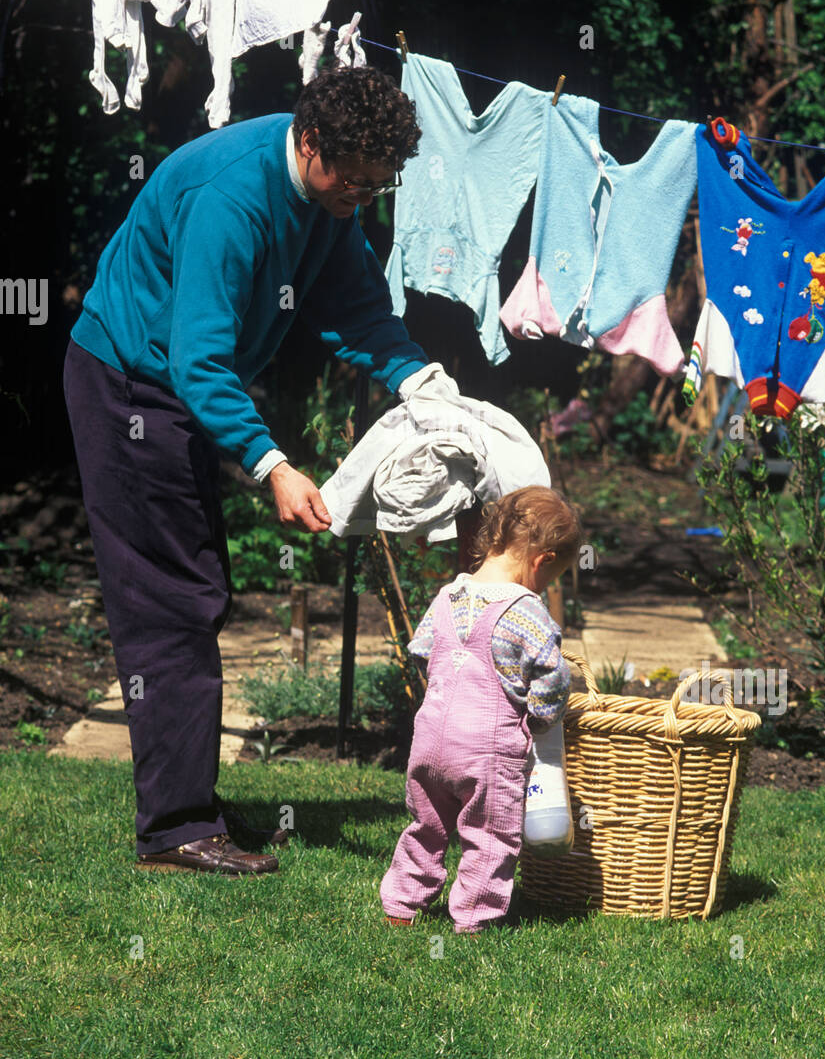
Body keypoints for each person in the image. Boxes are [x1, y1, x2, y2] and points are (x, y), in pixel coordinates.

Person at [63, 66, 432, 875]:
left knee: (193, 591)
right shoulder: (232, 198)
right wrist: (271, 464)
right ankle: (176, 829)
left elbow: (358, 309)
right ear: (309, 143)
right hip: (132, 382)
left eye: (378, 185)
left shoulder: (331, 199)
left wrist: (418, 380)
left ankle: (184, 804)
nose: (361, 197)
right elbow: (199, 362)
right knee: (171, 600)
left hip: (172, 384)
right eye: (353, 179)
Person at [380, 485, 583, 933]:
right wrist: (542, 718)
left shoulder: (448, 597)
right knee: (490, 836)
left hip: (430, 742)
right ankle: (474, 918)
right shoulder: (529, 612)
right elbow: (555, 677)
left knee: (426, 827)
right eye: (551, 578)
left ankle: (401, 904)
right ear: (542, 561)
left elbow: (423, 652)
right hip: (487, 751)